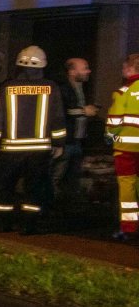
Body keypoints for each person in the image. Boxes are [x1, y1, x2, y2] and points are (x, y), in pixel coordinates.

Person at [0, 46, 67, 235]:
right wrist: (59, 143)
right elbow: (57, 118)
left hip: (10, 149)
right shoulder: (51, 87)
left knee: (5, 186)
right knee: (35, 188)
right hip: (39, 150)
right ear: (42, 65)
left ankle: (4, 224)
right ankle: (29, 225)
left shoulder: (8, 87)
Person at [105, 53, 139, 241]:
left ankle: (129, 227)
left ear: (130, 69)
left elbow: (114, 121)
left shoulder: (123, 92)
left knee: (127, 187)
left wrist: (109, 136)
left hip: (126, 148)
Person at [55, 57, 96, 204]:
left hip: (76, 141)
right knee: (57, 176)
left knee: (72, 176)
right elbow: (61, 112)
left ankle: (68, 207)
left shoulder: (78, 88)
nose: (88, 71)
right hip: (67, 142)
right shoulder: (63, 88)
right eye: (84, 67)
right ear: (72, 72)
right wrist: (83, 111)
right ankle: (51, 207)